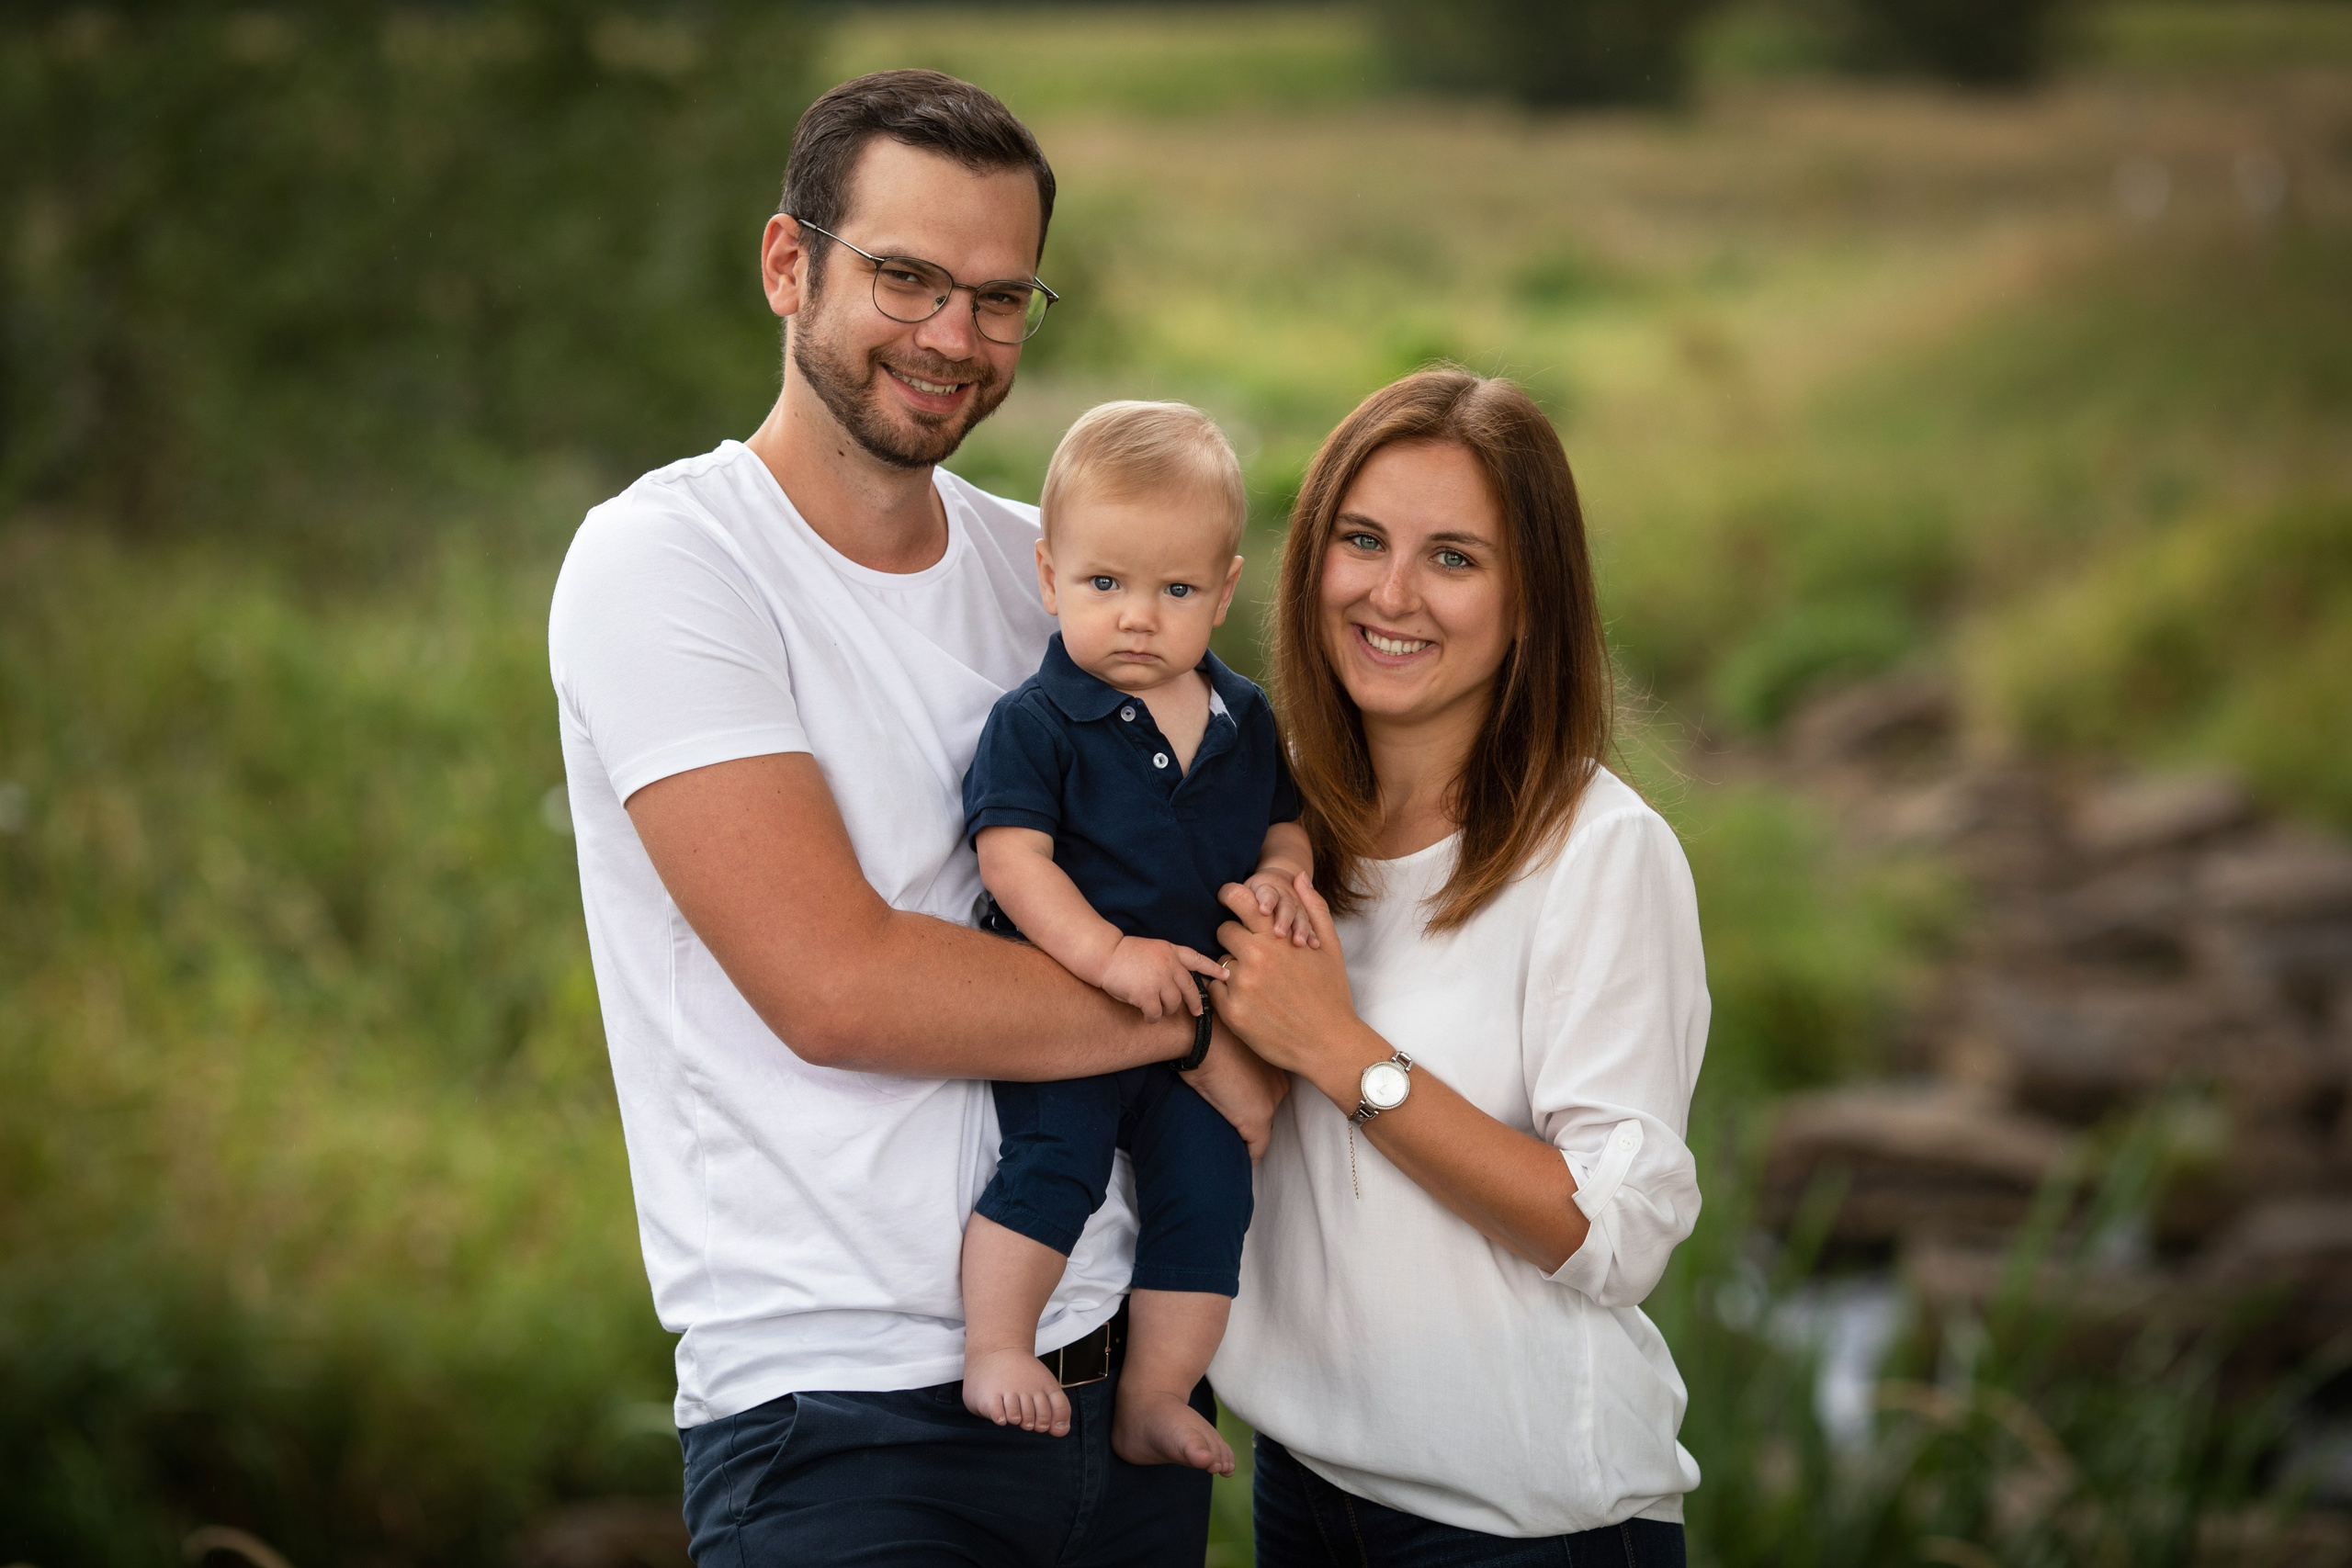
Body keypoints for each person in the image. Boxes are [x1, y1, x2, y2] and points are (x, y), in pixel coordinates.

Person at [546, 71, 1281, 1567]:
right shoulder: (668, 564)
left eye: (1001, 298)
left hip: (1117, 1396)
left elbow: (1238, 803)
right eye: (907, 276)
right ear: (785, 264)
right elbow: (838, 985)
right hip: (840, 1423)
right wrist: (1220, 1012)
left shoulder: (1055, 575)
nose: (955, 336)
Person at [1204, 368, 1710, 1566]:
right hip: (1306, 1491)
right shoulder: (1263, 813)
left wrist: (1342, 1050)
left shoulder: (1601, 851)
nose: (1391, 593)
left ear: (1531, 598)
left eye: (1453, 557)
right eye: (1363, 539)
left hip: (1527, 1522)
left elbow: (1617, 1229)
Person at [956, 401, 1313, 1477]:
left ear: (1225, 592)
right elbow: (1012, 860)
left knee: (1211, 1190)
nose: (1138, 619)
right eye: (1104, 584)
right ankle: (994, 1346)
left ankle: (1155, 1394)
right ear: (1049, 575)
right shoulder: (1037, 719)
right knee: (1053, 1163)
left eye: (1176, 591)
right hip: (1072, 1009)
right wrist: (1108, 957)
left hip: (1187, 1028)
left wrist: (1284, 875)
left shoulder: (1243, 719)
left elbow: (1284, 821)